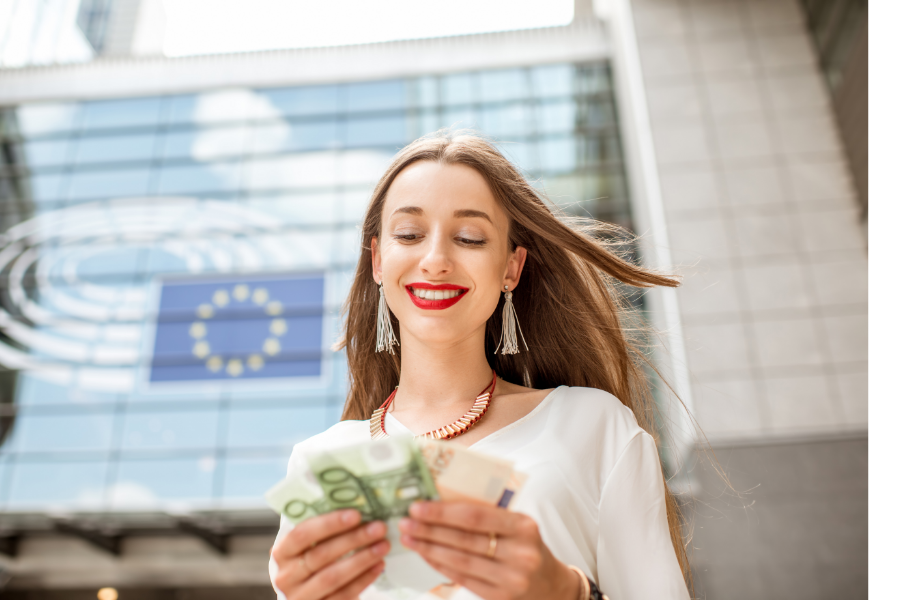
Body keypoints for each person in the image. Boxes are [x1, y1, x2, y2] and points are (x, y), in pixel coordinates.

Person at [269, 130, 692, 600]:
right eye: (409, 235)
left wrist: (569, 593)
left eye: (469, 238)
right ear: (378, 261)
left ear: (511, 267)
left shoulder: (593, 424)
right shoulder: (320, 463)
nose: (435, 260)